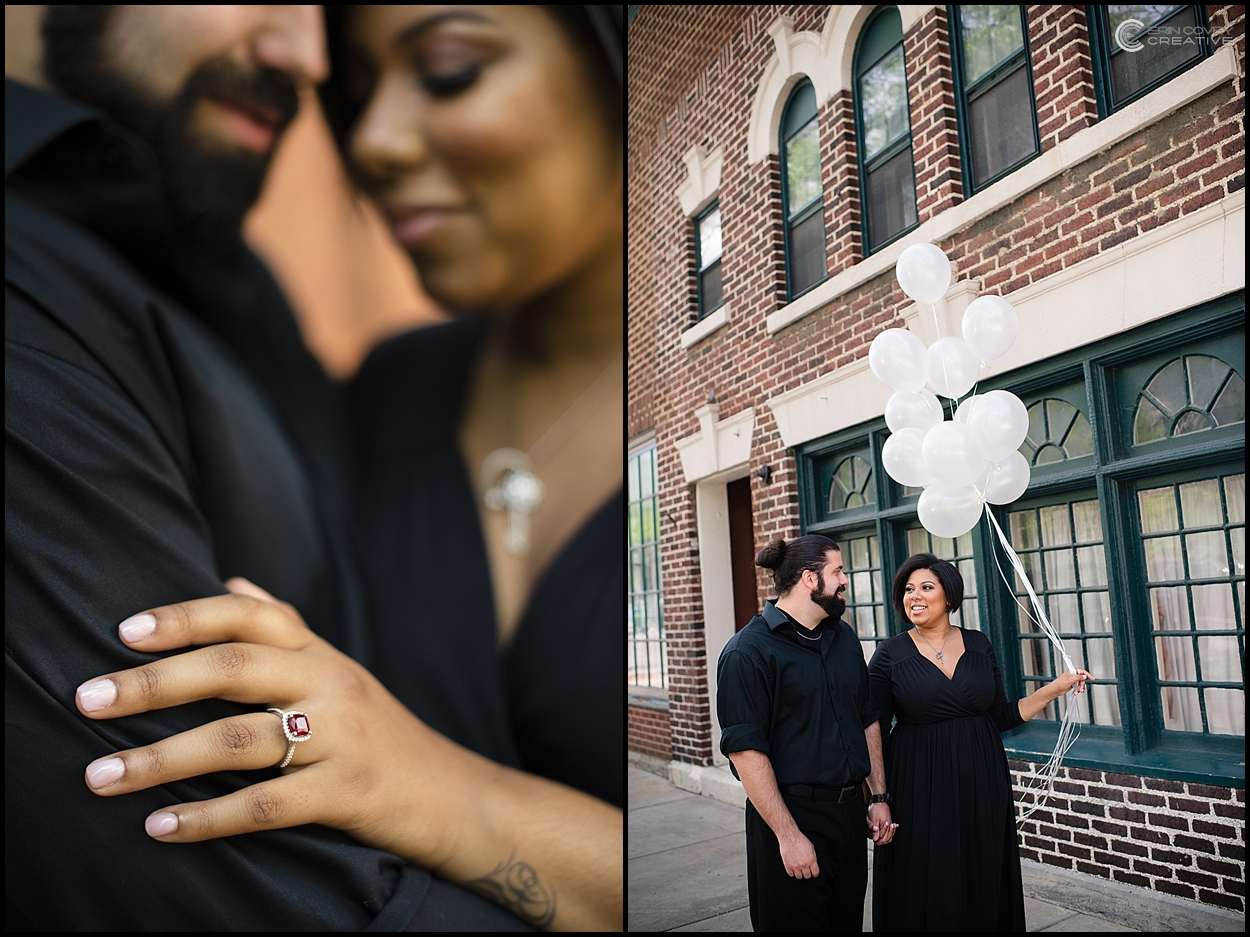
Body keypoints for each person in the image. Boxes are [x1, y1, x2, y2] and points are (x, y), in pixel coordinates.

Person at [6, 4, 620, 930]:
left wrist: (453, 792)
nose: (370, 142)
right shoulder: (383, 393)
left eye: (451, 70)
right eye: (355, 96)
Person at [868, 553, 1091, 932]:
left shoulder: (978, 643)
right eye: (908, 589)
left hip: (982, 780)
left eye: (926, 587)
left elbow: (1000, 715)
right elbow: (871, 727)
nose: (914, 597)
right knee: (928, 878)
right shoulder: (890, 653)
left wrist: (1055, 688)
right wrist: (878, 798)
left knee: (982, 873)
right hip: (918, 782)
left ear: (950, 596)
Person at [717, 535, 897, 932]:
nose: (845, 580)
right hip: (792, 816)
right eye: (838, 571)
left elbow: (866, 717)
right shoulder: (747, 652)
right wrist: (788, 836)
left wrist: (878, 796)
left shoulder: (843, 636)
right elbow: (746, 753)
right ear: (809, 579)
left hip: (850, 817)